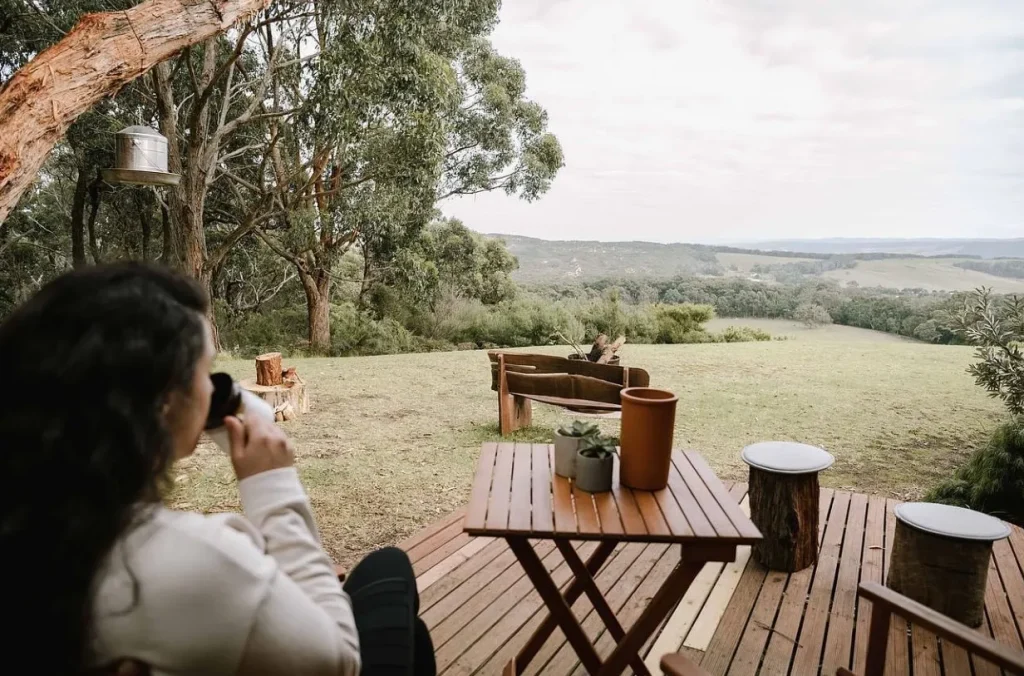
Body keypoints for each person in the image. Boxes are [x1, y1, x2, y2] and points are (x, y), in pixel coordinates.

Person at [0, 263, 436, 675]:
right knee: (393, 572)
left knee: (402, 614)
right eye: (206, 370)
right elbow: (339, 661)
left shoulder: (36, 519)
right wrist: (275, 489)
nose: (214, 388)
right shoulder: (186, 558)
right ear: (163, 400)